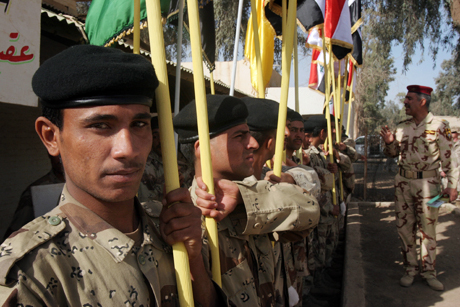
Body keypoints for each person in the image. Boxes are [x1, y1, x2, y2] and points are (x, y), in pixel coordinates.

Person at [0, 45, 223, 306]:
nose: (127, 149)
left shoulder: (168, 224)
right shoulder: (28, 272)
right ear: (51, 136)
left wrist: (194, 261)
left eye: (139, 124)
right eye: (100, 126)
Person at [173, 94, 320, 307]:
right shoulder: (190, 221)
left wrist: (244, 197)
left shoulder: (252, 194)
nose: (252, 143)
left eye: (249, 134)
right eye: (239, 136)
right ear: (201, 149)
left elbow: (310, 211)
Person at [380, 85, 459, 291]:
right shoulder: (401, 126)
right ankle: (410, 270)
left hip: (430, 186)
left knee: (428, 229)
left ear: (422, 102)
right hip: (403, 185)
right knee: (404, 229)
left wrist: (452, 186)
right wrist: (389, 143)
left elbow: (450, 160)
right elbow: (391, 154)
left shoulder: (440, 126)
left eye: (409, 99)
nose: (405, 102)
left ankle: (429, 272)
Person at [4, 154, 65, 240]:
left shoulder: (85, 187)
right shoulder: (36, 192)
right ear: (50, 154)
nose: (61, 158)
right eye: (58, 154)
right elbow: (14, 235)